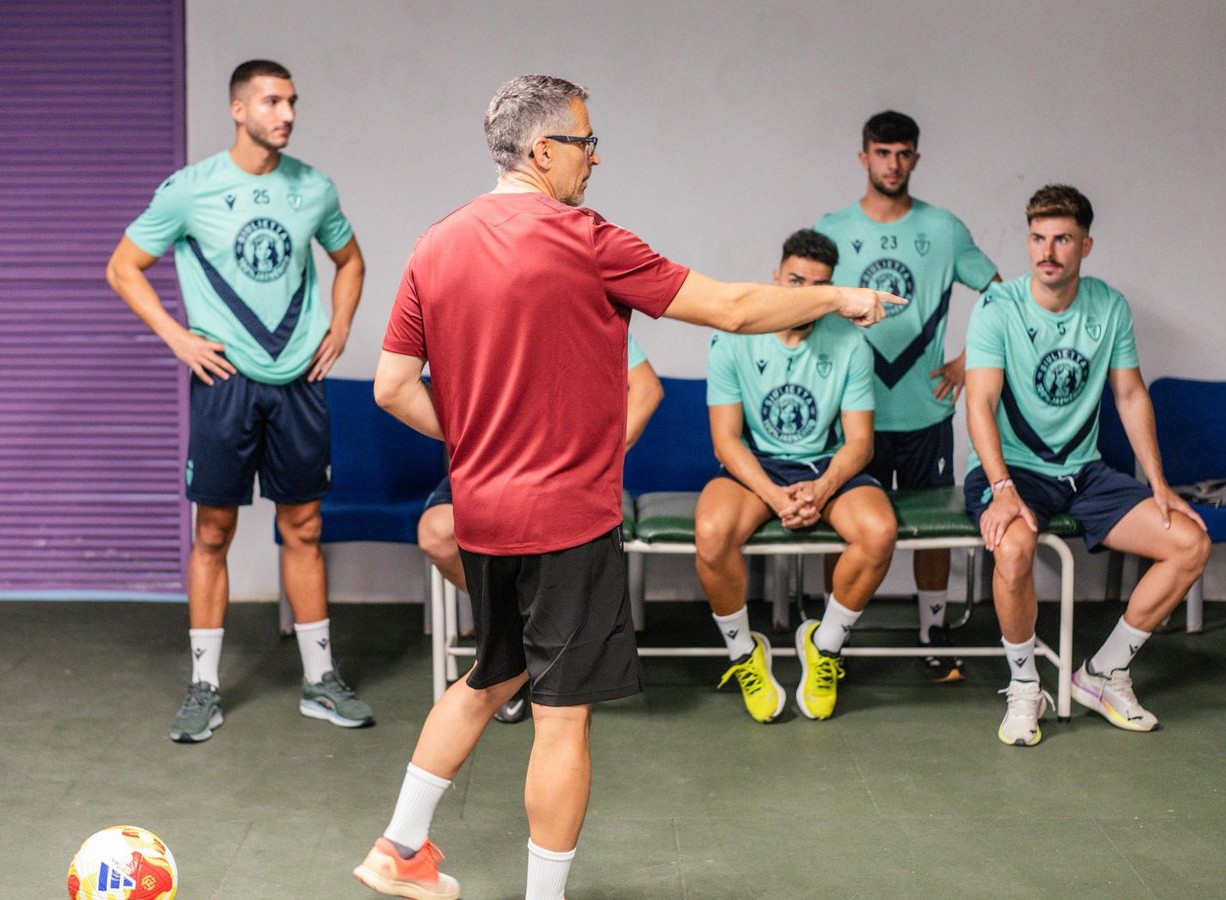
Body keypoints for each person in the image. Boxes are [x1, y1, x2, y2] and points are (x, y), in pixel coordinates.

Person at [353, 74, 901, 900]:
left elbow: (394, 387)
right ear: (543, 152)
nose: (594, 155)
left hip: (483, 513)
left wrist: (474, 440)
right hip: (566, 520)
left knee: (489, 676)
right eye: (584, 140)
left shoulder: (435, 243)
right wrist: (840, 295)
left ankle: (398, 847)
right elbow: (730, 307)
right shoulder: (584, 238)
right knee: (563, 717)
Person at [105, 60, 372, 742]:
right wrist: (175, 337)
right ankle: (204, 687)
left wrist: (339, 326)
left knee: (304, 528)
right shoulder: (191, 191)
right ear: (238, 108)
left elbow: (350, 261)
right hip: (226, 382)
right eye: (272, 102)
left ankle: (319, 680)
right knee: (214, 532)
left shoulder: (313, 188)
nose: (286, 114)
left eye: (291, 102)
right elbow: (123, 266)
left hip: (299, 384)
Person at [963, 185, 1210, 747]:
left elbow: (1129, 395)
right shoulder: (998, 308)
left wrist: (1158, 483)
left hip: (1084, 472)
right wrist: (1001, 487)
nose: (1047, 251)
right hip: (1014, 471)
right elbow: (978, 401)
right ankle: (1026, 684)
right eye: (1037, 238)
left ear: (1085, 245)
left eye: (1062, 239)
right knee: (1015, 548)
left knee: (1190, 543)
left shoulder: (1108, 306)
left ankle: (1101, 675)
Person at [814, 111, 1001, 682]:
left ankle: (933, 630)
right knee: (839, 524)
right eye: (882, 152)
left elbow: (1002, 296)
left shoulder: (944, 229)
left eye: (903, 153)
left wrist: (973, 361)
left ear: (915, 159)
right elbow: (809, 305)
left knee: (933, 527)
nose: (892, 164)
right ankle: (830, 641)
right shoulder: (833, 228)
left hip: (923, 409)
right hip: (852, 411)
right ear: (862, 157)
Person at [696, 229, 898, 723]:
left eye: (818, 285)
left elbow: (859, 443)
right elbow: (726, 440)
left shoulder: (850, 342)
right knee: (711, 532)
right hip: (756, 466)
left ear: (832, 290)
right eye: (794, 281)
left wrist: (823, 486)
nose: (804, 294)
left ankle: (824, 645)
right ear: (775, 278)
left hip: (823, 465)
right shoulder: (732, 338)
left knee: (879, 532)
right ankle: (746, 654)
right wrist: (774, 494)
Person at [416, 333, 663, 724]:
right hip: (487, 468)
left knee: (558, 551)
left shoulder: (585, 313)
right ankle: (515, 651)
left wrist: (602, 454)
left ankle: (527, 660)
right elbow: (401, 389)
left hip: (560, 473)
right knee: (437, 533)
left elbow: (647, 388)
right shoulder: (475, 307)